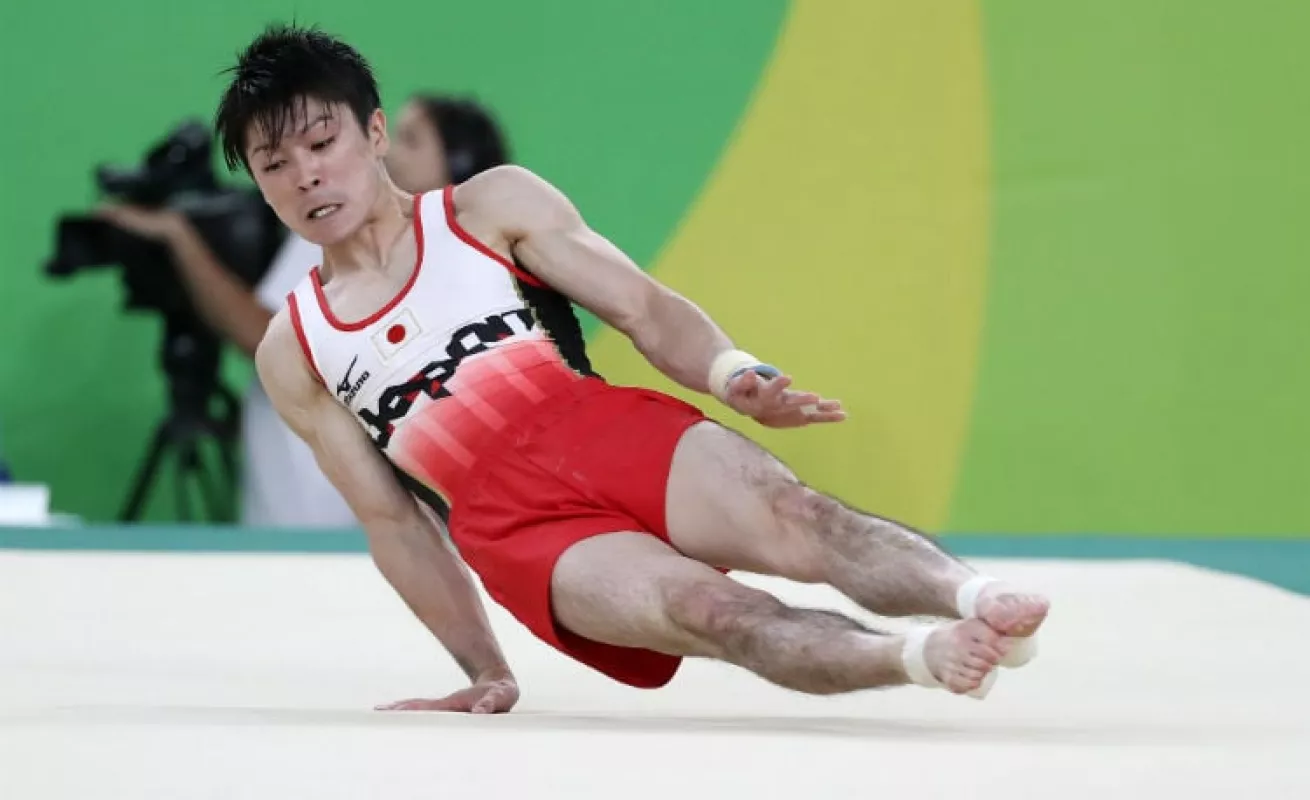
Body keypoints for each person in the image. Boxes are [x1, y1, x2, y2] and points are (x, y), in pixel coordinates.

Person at [221, 23, 1051, 714]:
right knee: (715, 614)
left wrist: (730, 374)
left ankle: (975, 596)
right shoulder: (295, 349)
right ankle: (923, 655)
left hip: (601, 431)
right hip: (519, 532)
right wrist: (485, 670)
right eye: (275, 165)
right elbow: (395, 525)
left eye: (322, 143)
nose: (308, 177)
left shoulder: (487, 208)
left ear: (370, 133)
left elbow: (644, 309)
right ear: (260, 184)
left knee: (799, 517)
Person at [96, 91, 513, 528]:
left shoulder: (344, 227)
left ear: (458, 170)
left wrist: (179, 239)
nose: (383, 148)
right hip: (380, 531)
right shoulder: (472, 269)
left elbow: (261, 334)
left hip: (316, 526)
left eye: (409, 140)